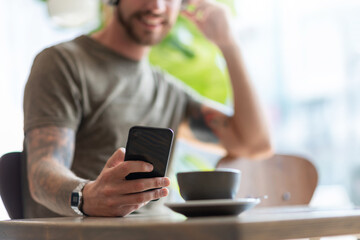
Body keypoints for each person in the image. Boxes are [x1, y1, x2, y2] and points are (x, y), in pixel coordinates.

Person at [23, 0, 272, 218]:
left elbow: (255, 143)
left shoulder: (169, 92)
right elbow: (42, 171)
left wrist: (228, 44)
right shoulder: (63, 63)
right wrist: (87, 197)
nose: (157, 6)